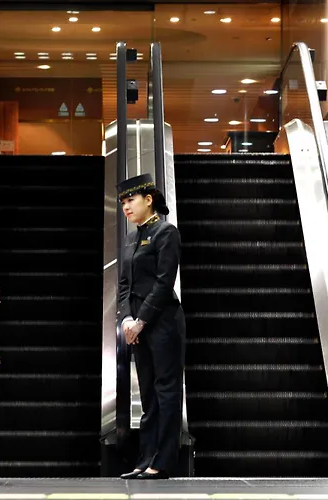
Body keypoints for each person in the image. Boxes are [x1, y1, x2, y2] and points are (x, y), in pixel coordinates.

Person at [116, 173, 185, 480]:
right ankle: (145, 459)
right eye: (122, 202)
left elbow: (164, 282)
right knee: (147, 393)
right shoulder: (131, 238)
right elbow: (124, 285)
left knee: (166, 391)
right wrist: (126, 319)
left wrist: (141, 320)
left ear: (148, 200)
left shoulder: (166, 232)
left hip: (164, 323)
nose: (125, 207)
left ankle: (163, 461)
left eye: (130, 200)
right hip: (138, 327)